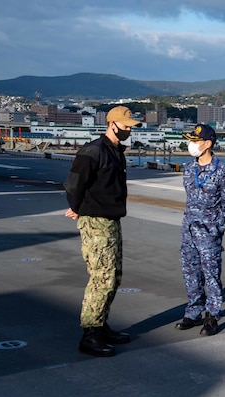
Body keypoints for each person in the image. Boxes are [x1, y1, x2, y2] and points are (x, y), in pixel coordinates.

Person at [64, 105, 142, 357]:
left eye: (131, 126)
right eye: (126, 126)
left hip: (111, 219)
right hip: (96, 222)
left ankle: (101, 323)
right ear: (112, 124)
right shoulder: (93, 151)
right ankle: (90, 333)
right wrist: (77, 208)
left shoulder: (115, 151)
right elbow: (74, 183)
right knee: (102, 277)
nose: (129, 130)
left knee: (114, 275)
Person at [175, 124, 225, 336]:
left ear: (208, 144)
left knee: (211, 274)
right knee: (190, 271)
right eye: (191, 140)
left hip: (209, 232)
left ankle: (212, 315)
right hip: (189, 229)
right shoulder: (188, 168)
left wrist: (215, 227)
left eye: (195, 141)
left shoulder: (222, 172)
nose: (191, 145)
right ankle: (193, 312)